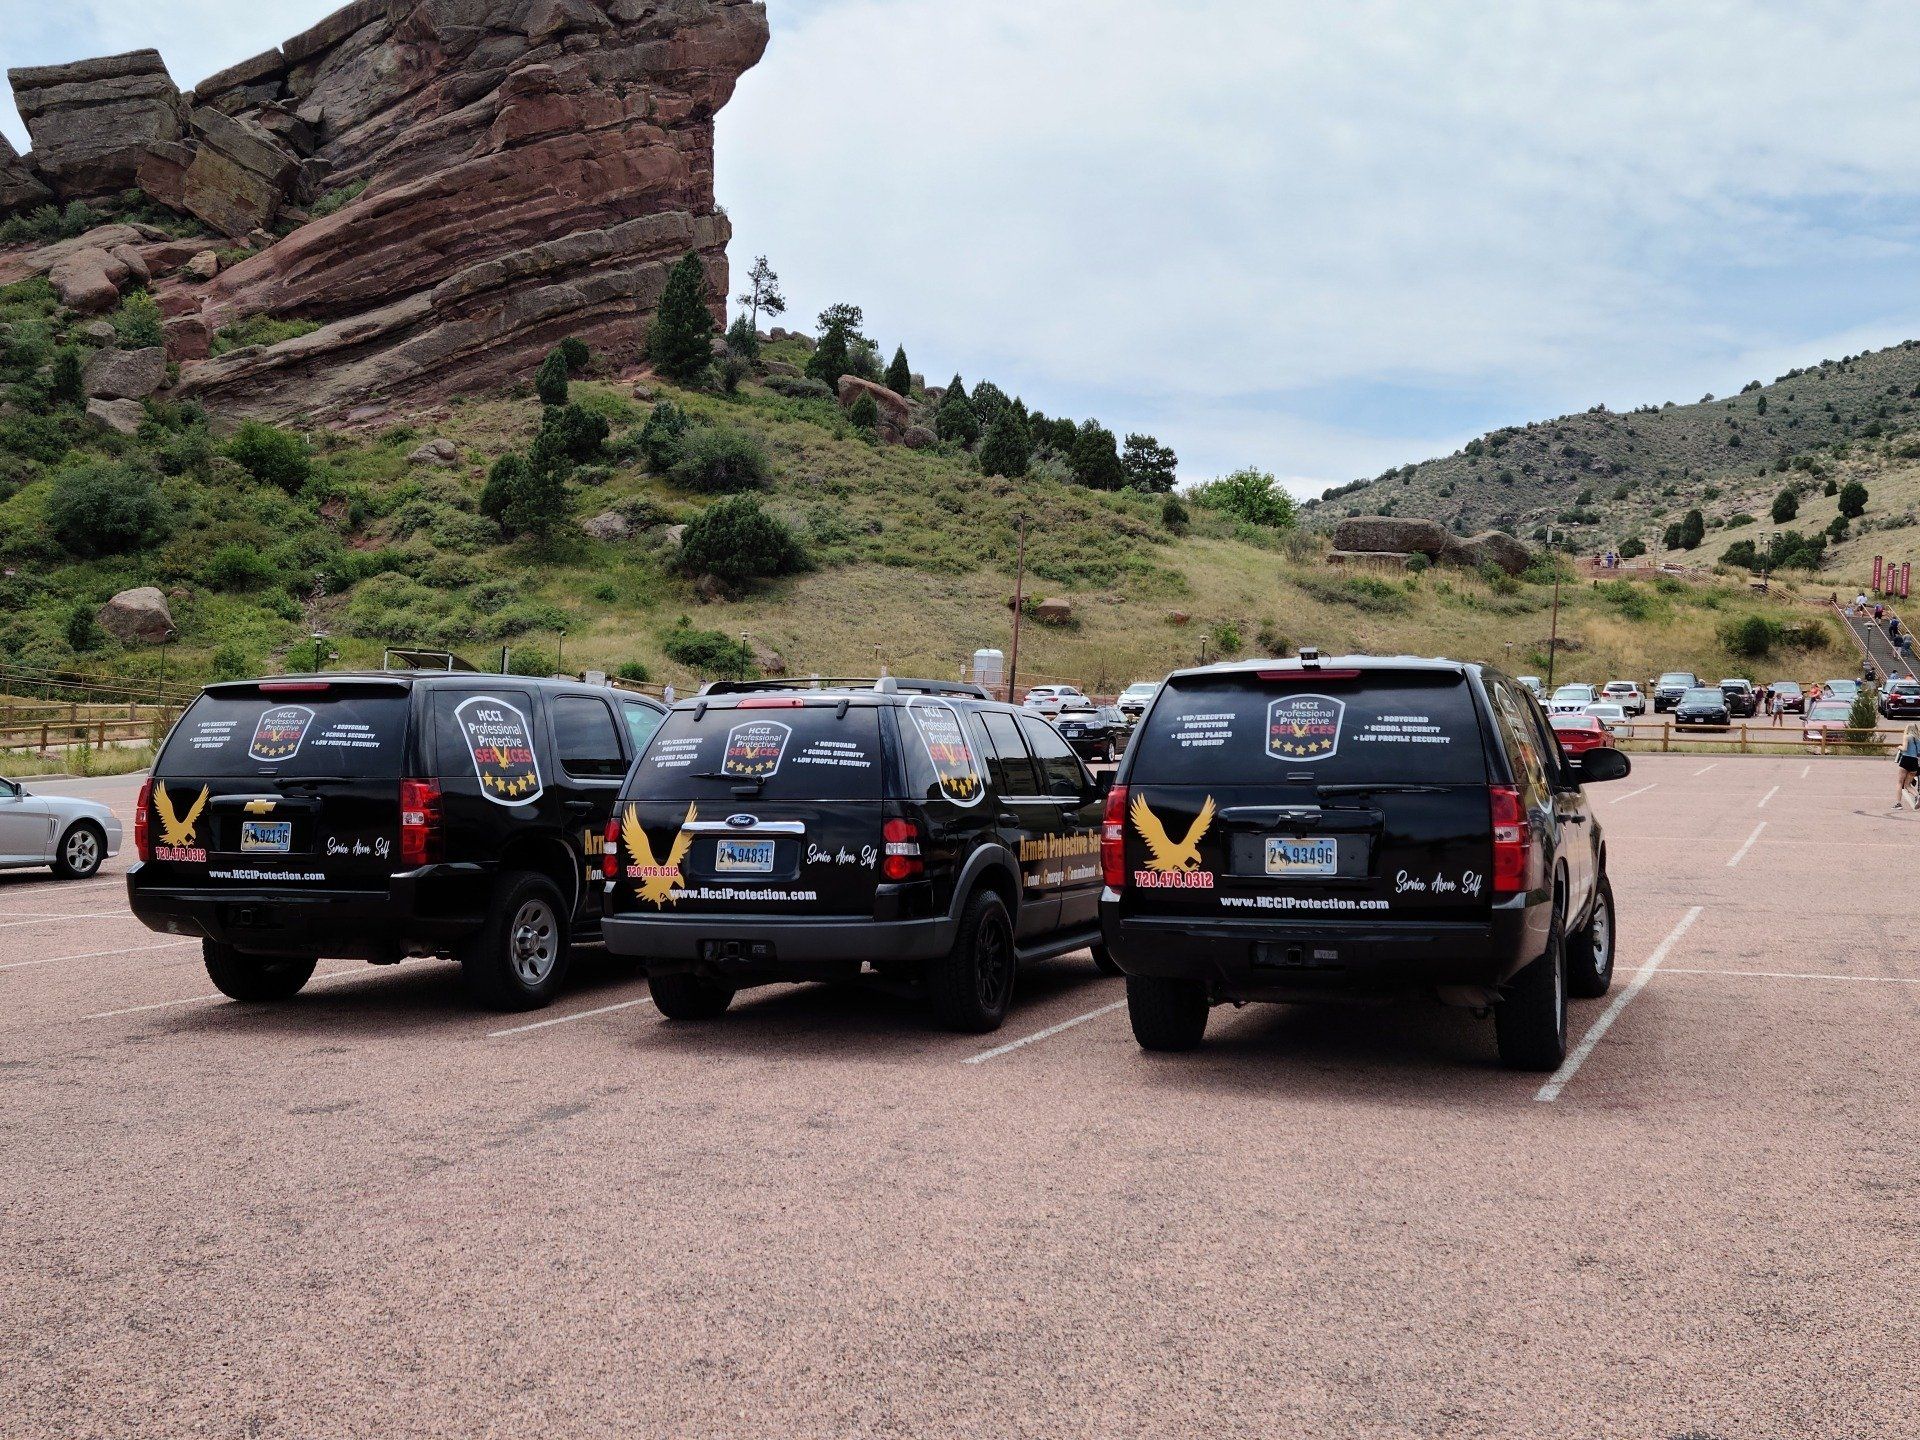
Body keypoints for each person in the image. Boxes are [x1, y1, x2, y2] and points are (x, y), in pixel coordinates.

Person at [1897, 724, 1920, 811]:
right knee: (1908, 784)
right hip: (1914, 761)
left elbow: (1905, 748)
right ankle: (1917, 796)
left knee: (1900, 782)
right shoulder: (1918, 739)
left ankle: (1898, 803)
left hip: (1906, 759)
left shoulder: (1906, 737)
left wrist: (1900, 747)